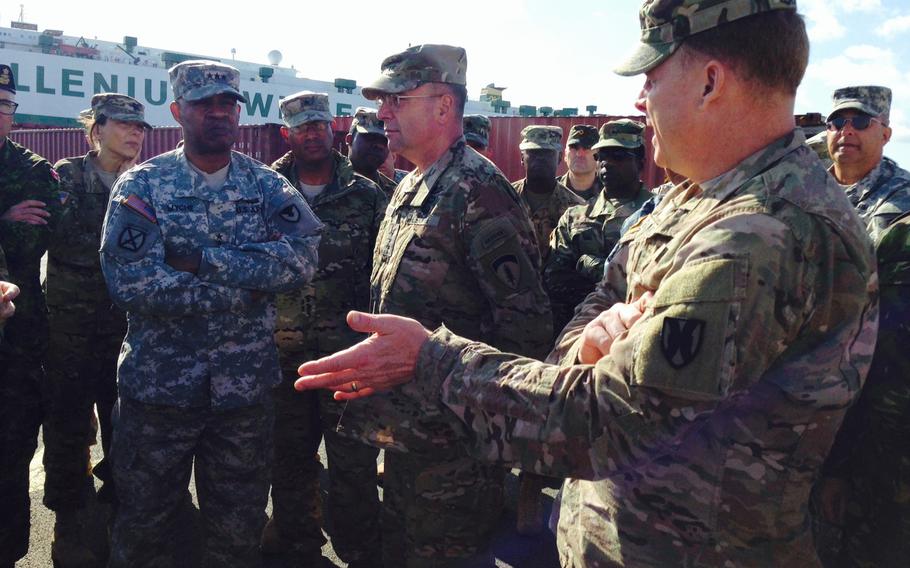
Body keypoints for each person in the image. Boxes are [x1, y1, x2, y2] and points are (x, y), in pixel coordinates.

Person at [295, 2, 880, 566]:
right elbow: (600, 300)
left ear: (710, 82)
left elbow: (610, 420)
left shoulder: (763, 233)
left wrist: (431, 360)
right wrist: (592, 344)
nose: (640, 97)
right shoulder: (689, 199)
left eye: (651, 75)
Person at [99, 60, 321, 568]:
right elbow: (133, 283)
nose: (218, 114)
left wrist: (202, 262)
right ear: (179, 111)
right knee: (143, 530)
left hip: (242, 397)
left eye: (227, 104)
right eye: (204, 104)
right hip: (159, 395)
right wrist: (245, 288)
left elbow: (302, 262)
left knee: (236, 533)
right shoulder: (143, 187)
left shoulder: (268, 187)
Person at [344, 43, 552, 567]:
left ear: (442, 106)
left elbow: (526, 330)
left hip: (455, 446)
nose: (382, 114)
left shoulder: (479, 193)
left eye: (396, 100)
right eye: (379, 102)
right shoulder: (411, 184)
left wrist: (489, 436)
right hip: (409, 435)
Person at [263, 91, 387, 567]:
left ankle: (361, 553)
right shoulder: (265, 187)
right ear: (286, 133)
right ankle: (300, 548)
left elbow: (383, 276)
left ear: (332, 129)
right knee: (288, 459)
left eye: (318, 124)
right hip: (282, 356)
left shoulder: (365, 192)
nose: (311, 133)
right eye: (301, 126)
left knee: (353, 464)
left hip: (347, 358)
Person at [42, 93, 150, 567]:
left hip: (127, 329)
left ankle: (118, 507)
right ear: (97, 128)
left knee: (126, 425)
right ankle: (69, 520)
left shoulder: (147, 184)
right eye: (124, 124)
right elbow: (46, 236)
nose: (134, 133)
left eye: (140, 127)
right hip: (68, 326)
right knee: (66, 425)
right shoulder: (65, 176)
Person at [815, 86, 910, 568]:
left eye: (860, 121)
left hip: (877, 413)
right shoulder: (804, 192)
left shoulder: (904, 207)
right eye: (837, 122)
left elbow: (893, 344)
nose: (846, 131)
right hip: (796, 407)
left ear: (886, 133)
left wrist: (848, 458)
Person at [0, 63, 65, 568]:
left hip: (14, 343)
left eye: (4, 106)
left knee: (11, 453)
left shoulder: (33, 169)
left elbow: (33, 237)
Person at [545, 119, 652, 333]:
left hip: (635, 332)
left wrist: (592, 267)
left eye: (618, 156)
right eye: (601, 157)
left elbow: (653, 285)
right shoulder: (575, 217)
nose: (606, 163)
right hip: (577, 332)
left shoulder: (658, 215)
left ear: (640, 161)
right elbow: (554, 280)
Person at [512, 125, 585, 264]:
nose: (540, 158)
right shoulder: (505, 198)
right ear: (522, 157)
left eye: (547, 153)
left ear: (559, 158)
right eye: (533, 152)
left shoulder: (577, 208)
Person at [345, 106, 398, 196]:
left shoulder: (394, 193)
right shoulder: (325, 180)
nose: (379, 145)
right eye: (370, 138)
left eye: (384, 140)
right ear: (349, 140)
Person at [557, 124, 602, 201]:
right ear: (565, 154)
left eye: (587, 148)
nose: (579, 154)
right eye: (574, 148)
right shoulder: (550, 190)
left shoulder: (611, 192)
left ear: (598, 155)